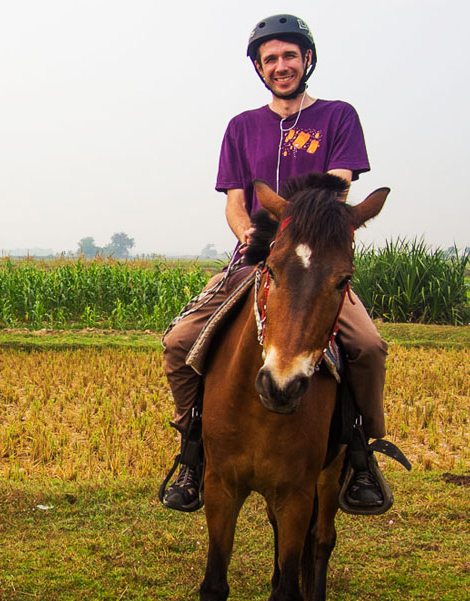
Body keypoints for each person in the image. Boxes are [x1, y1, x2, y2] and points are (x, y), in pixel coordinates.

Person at [159, 14, 390, 513]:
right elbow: (234, 200)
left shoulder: (338, 116)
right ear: (259, 70)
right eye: (270, 60)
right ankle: (193, 450)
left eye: (289, 56)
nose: (281, 66)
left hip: (312, 263)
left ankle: (363, 455)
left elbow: (338, 183)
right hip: (254, 259)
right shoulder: (241, 128)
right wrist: (246, 231)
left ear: (307, 60)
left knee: (368, 347)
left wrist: (292, 226)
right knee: (179, 343)